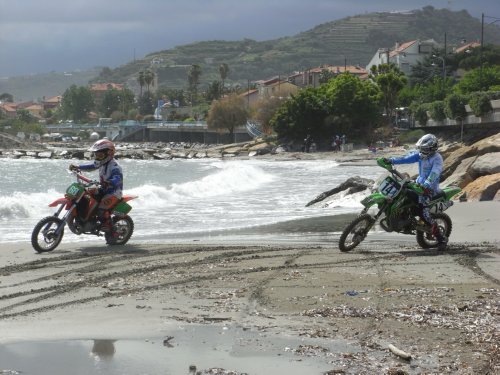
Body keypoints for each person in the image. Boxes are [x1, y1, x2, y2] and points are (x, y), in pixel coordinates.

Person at [383, 133, 447, 248]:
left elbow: (435, 172)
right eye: (421, 148)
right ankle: (402, 217)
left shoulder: (437, 158)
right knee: (401, 193)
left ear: (432, 148)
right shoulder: (421, 155)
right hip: (417, 184)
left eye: (425, 148)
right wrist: (390, 160)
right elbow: (406, 158)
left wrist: (426, 184)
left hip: (429, 189)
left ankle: (441, 239)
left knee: (424, 213)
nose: (422, 151)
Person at [69, 139, 123, 232]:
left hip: (113, 192)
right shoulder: (101, 162)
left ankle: (107, 224)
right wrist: (78, 167)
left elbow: (118, 178)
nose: (98, 157)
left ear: (109, 153)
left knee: (101, 209)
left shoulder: (115, 166)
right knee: (86, 197)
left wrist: (110, 182)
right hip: (103, 189)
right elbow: (91, 167)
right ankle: (86, 218)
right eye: (96, 155)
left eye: (100, 155)